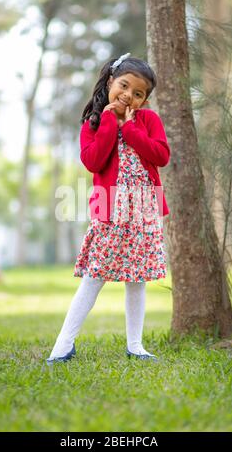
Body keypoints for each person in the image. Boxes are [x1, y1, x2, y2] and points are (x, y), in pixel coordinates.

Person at [46, 53, 171, 365]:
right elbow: (93, 161)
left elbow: (161, 155)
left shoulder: (148, 121)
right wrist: (107, 122)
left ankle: (136, 345)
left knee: (137, 279)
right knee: (94, 276)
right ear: (110, 82)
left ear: (144, 100)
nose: (129, 95)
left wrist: (130, 130)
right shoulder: (93, 121)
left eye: (138, 93)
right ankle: (62, 345)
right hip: (109, 210)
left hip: (143, 210)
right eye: (124, 86)